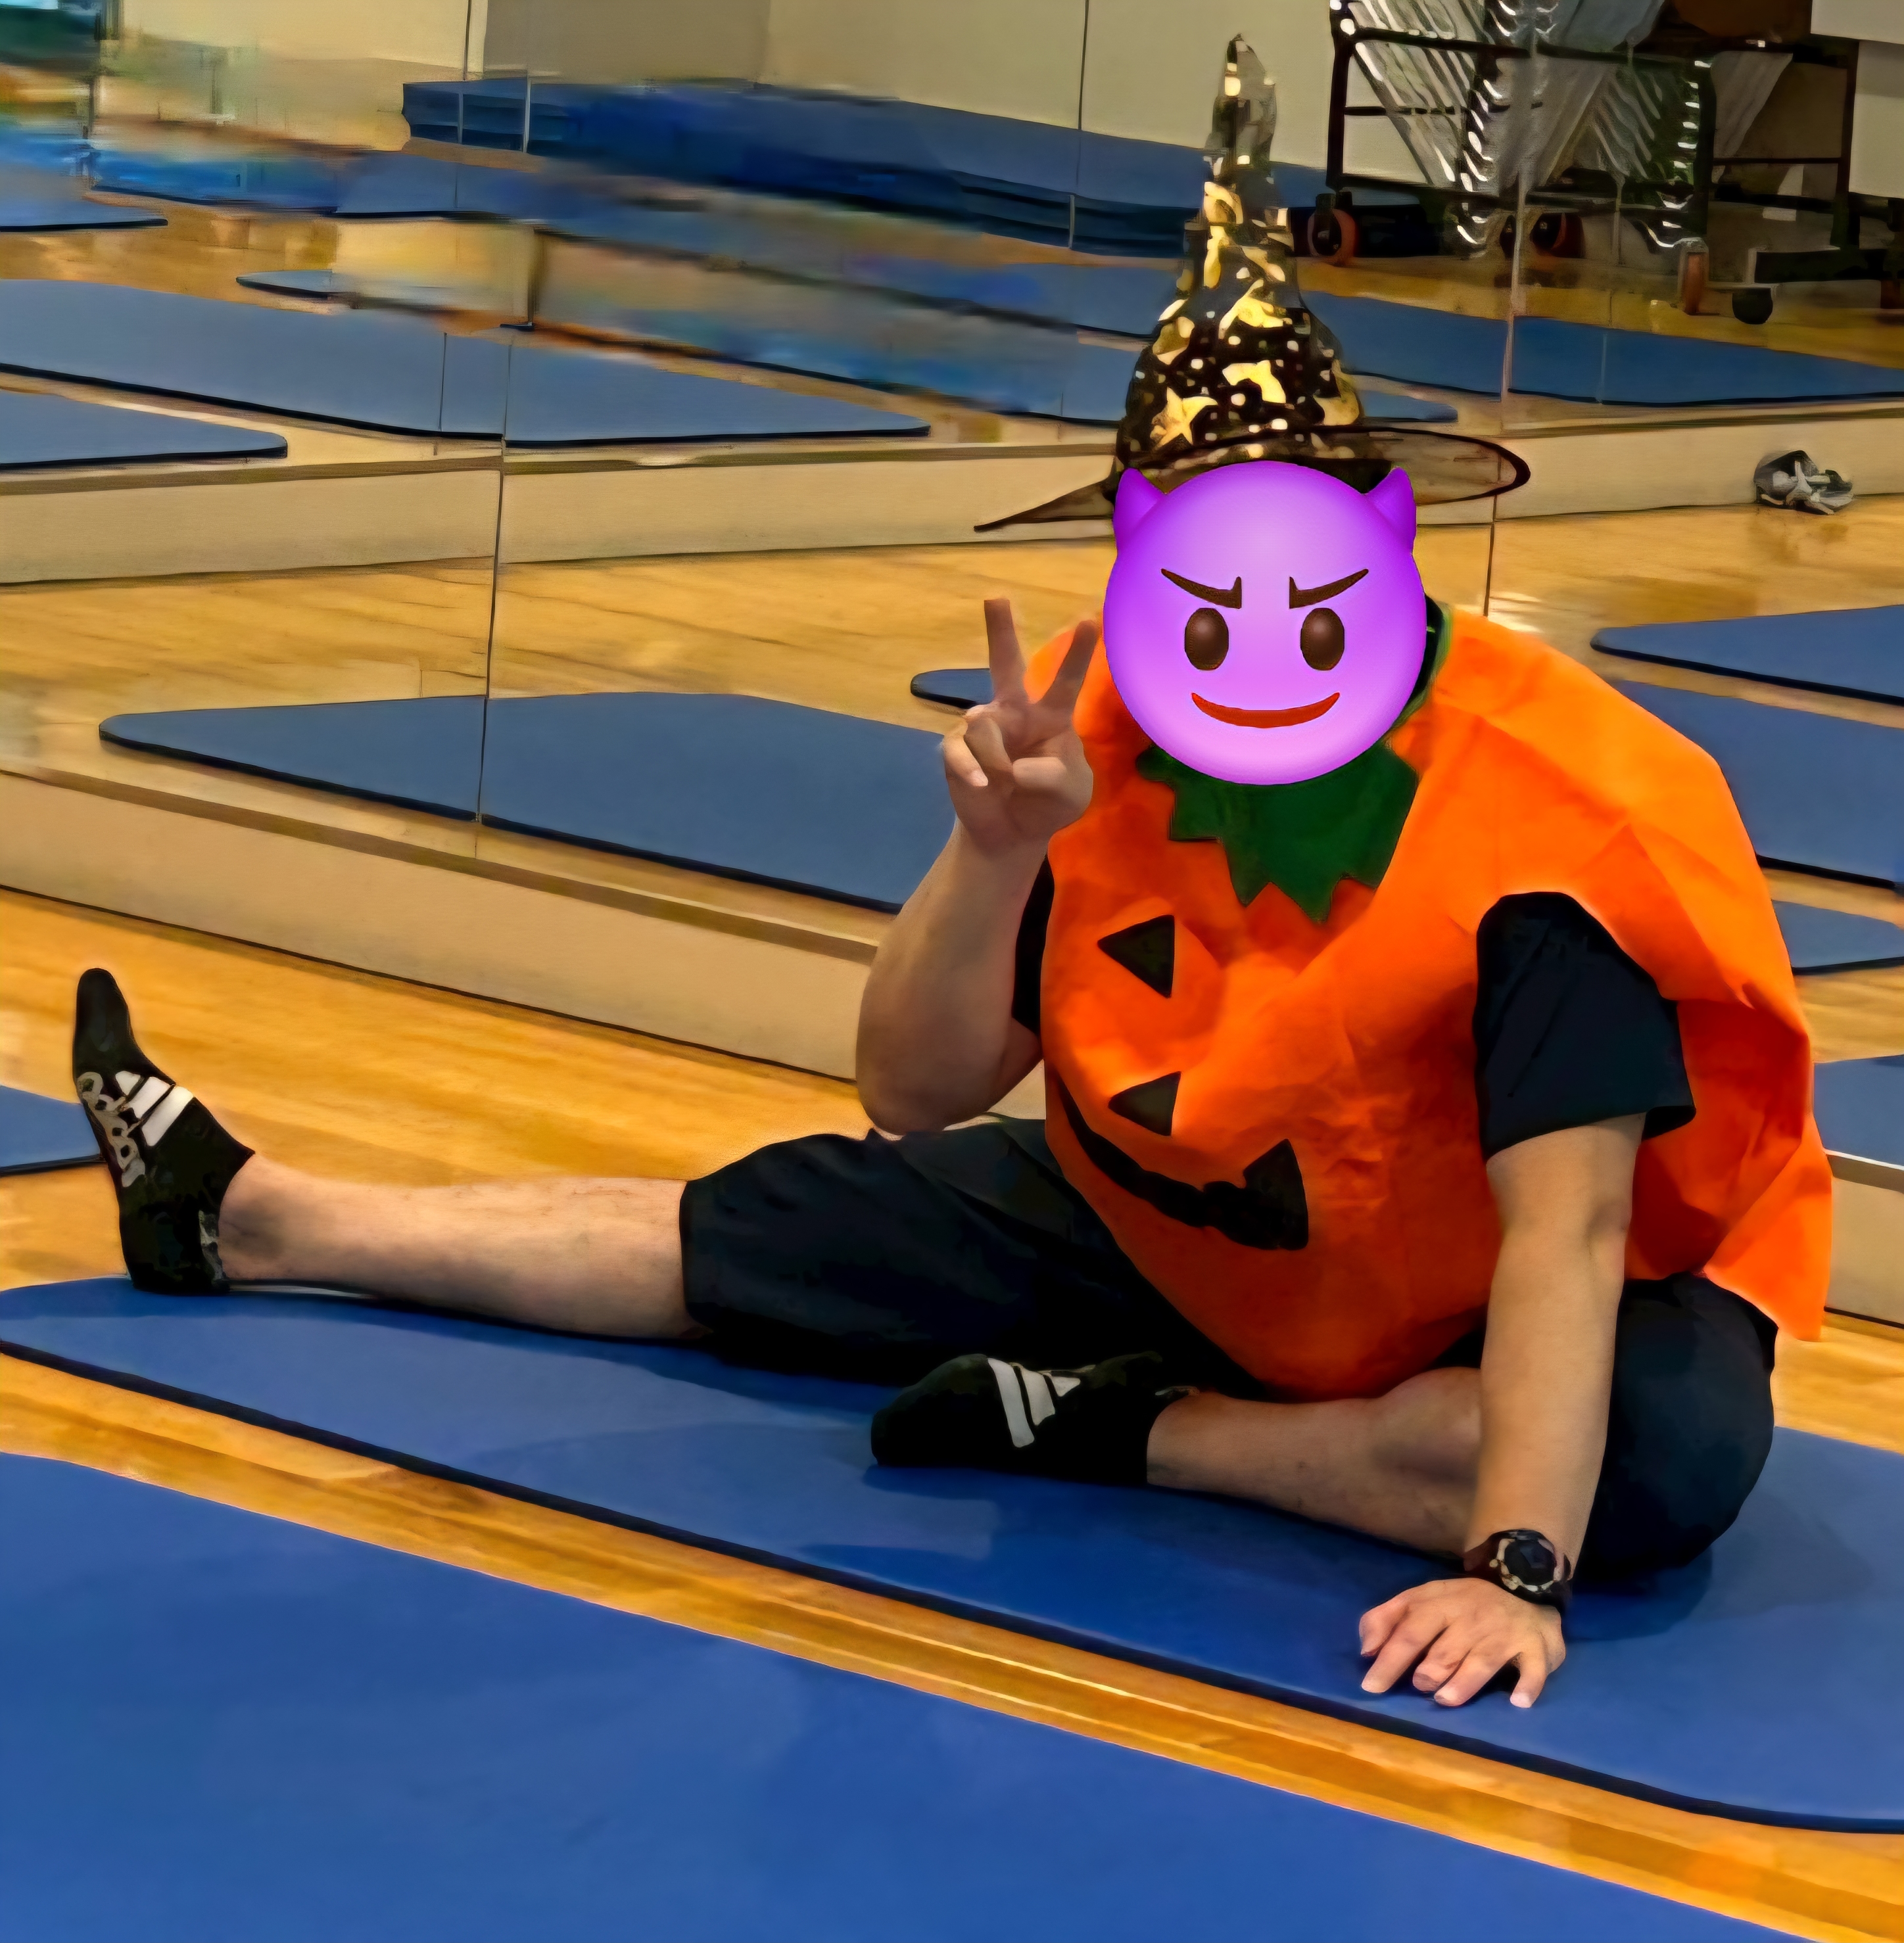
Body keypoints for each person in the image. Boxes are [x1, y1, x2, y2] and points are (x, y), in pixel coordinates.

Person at [73, 454, 1827, 1716]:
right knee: (771, 1230)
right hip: (1195, 1224)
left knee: (1643, 1468)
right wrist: (993, 854)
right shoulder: (1108, 721)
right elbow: (909, 1090)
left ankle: (1138, 1431)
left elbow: (1568, 1231)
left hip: (1497, 1287)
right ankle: (259, 1218)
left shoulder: (1547, 822)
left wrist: (1515, 1570)